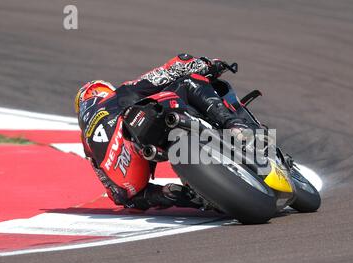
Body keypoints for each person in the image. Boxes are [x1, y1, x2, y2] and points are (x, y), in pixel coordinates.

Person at [74, 53, 249, 210]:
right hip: (146, 124)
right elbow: (166, 72)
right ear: (100, 92)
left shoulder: (88, 147)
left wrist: (154, 196)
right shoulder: (118, 96)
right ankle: (233, 124)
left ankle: (184, 195)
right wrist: (208, 65)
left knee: (134, 197)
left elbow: (117, 195)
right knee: (188, 82)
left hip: (131, 173)